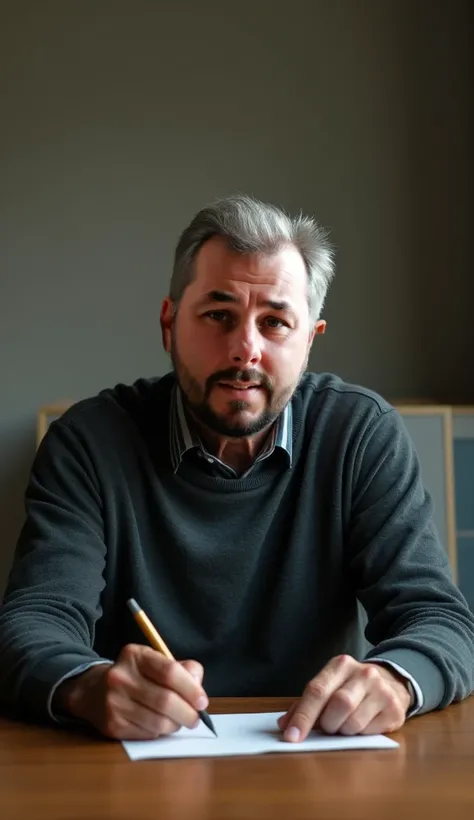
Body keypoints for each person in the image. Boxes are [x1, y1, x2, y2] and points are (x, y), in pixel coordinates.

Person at [1, 195, 473, 744]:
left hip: (312, 759)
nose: (245, 348)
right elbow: (31, 625)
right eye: (219, 316)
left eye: (274, 323)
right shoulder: (88, 442)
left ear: (308, 342)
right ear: (169, 322)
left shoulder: (359, 436)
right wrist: (87, 686)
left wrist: (395, 679)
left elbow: (440, 620)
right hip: (130, 767)